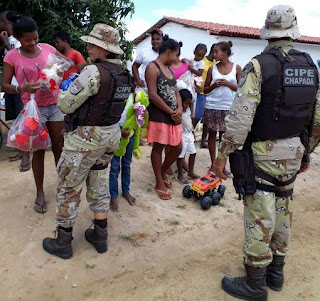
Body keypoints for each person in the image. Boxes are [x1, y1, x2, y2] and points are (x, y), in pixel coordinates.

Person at [213, 5, 320, 301]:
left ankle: (255, 283)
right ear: (293, 30)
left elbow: (240, 117)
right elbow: (317, 116)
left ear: (268, 32)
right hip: (294, 151)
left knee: (260, 215)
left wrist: (223, 154)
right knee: (284, 211)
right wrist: (307, 153)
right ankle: (276, 273)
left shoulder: (259, 66)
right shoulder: (310, 65)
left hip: (262, 154)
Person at [42, 23, 132, 259]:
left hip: (85, 139)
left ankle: (63, 241)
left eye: (93, 44)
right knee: (99, 180)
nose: (88, 47)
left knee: (68, 185)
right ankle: (100, 235)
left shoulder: (92, 72)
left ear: (105, 49)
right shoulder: (123, 73)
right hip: (110, 135)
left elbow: (64, 104)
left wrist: (60, 88)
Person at [2, 14, 74, 213]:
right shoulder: (12, 56)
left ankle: (62, 187)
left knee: (59, 147)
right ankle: (40, 192)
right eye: (27, 40)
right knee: (39, 150)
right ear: (17, 38)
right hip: (34, 110)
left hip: (55, 105)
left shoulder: (49, 50)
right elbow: (5, 85)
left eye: (35, 38)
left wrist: (56, 74)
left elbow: (63, 66)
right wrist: (22, 88)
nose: (32, 43)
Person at [145, 36, 183, 200]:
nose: (177, 59)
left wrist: (180, 109)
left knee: (178, 147)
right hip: (160, 115)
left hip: (173, 115)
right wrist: (171, 111)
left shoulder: (170, 69)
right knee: (158, 148)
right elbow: (153, 95)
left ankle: (161, 172)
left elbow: (176, 92)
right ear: (169, 52)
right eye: (176, 55)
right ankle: (159, 181)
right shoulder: (152, 68)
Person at [203, 41, 241, 173]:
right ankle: (214, 163)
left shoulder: (236, 68)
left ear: (224, 53)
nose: (213, 54)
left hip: (228, 107)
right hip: (212, 105)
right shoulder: (211, 69)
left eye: (216, 51)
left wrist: (228, 84)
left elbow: (240, 89)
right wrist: (214, 85)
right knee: (212, 135)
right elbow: (205, 89)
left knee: (225, 138)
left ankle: (222, 165)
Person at [0, 10, 30, 171]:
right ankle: (21, 151)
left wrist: (5, 42)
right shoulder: (11, 39)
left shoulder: (17, 40)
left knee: (23, 122)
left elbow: (19, 56)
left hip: (20, 87)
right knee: (17, 122)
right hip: (12, 87)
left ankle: (26, 156)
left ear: (6, 22)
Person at [109, 78, 138, 212]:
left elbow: (138, 118)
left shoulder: (137, 98)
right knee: (114, 167)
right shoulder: (114, 97)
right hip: (116, 134)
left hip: (130, 135)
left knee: (126, 164)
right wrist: (119, 131)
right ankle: (113, 195)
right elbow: (109, 117)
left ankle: (125, 191)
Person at [192, 43, 217, 148]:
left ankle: (203, 141)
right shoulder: (202, 61)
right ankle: (188, 133)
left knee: (207, 119)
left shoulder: (216, 64)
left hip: (210, 93)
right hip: (199, 92)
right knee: (197, 116)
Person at [176, 88, 199, 185]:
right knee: (181, 155)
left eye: (189, 104)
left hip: (189, 133)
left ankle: (191, 171)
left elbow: (189, 121)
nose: (188, 105)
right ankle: (180, 174)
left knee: (193, 152)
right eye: (186, 103)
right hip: (182, 134)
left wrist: (193, 131)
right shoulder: (178, 111)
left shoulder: (188, 110)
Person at [132, 28, 163, 93]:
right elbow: (134, 66)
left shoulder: (164, 54)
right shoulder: (144, 52)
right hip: (143, 88)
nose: (155, 41)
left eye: (157, 39)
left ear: (162, 40)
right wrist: (138, 80)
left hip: (159, 90)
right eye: (153, 39)